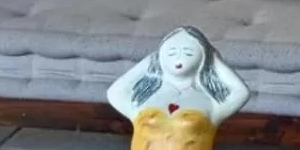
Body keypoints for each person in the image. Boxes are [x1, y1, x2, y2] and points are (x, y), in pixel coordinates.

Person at [107, 26, 250, 126]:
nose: (179, 59)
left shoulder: (212, 104)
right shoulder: (141, 100)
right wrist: (152, 60)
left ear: (202, 58)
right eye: (171, 53)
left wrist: (212, 60)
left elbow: (241, 92)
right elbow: (115, 92)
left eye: (188, 53)